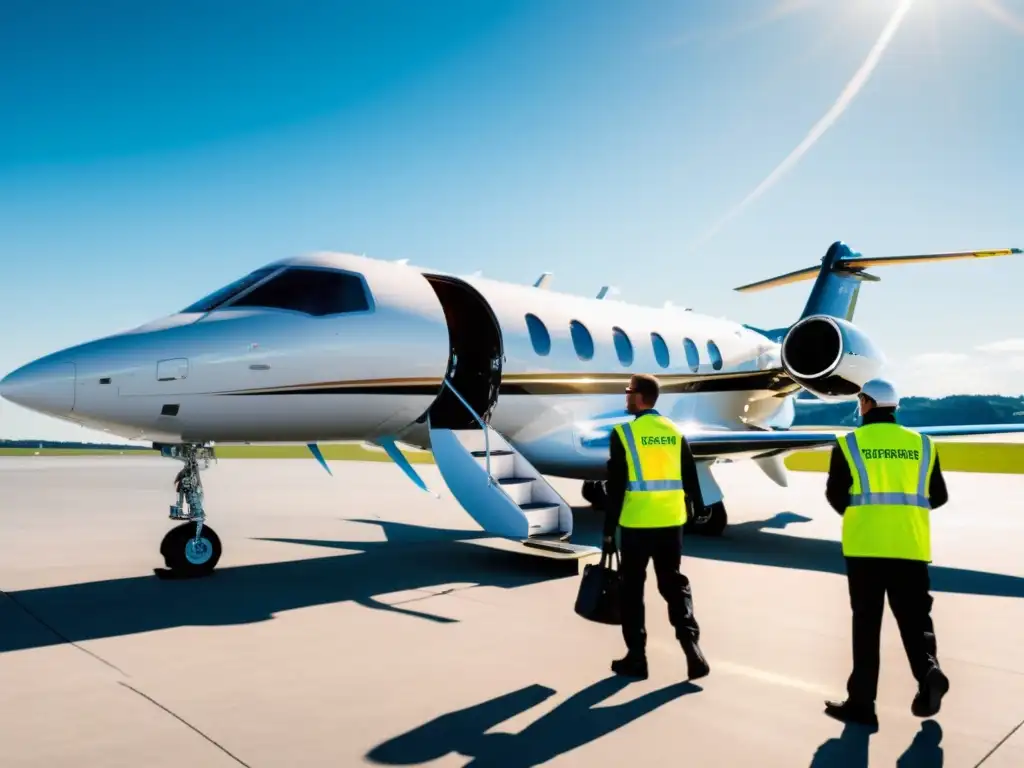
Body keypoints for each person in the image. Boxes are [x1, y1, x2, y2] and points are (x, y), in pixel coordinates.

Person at [823, 377, 951, 727]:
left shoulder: (849, 443)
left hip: (865, 549)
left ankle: (862, 705)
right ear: (894, 407)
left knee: (866, 626)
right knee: (915, 620)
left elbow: (835, 495)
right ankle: (928, 672)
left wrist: (865, 515)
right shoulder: (923, 444)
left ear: (865, 403)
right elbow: (938, 496)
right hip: (910, 546)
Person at [603, 373, 710, 681]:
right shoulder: (674, 431)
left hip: (637, 524)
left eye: (628, 391)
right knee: (673, 585)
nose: (625, 396)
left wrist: (609, 531)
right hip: (671, 523)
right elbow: (690, 475)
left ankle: (637, 659)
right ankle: (692, 650)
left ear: (640, 397)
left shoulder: (624, 434)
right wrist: (700, 508)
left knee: (632, 591)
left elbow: (616, 487)